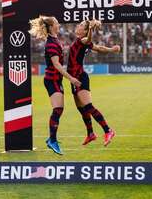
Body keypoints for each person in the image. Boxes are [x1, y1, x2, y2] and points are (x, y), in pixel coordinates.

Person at [29, 15, 81, 155]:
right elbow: (57, 65)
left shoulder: (55, 40)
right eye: (57, 23)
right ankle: (52, 140)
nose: (59, 24)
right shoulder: (51, 43)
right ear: (51, 26)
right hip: (52, 79)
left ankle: (51, 139)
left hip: (56, 80)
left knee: (59, 109)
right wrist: (72, 79)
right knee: (58, 109)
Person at [67, 19, 120, 146]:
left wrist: (90, 29)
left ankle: (108, 130)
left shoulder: (83, 40)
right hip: (74, 79)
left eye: (80, 26)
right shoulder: (82, 42)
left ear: (85, 31)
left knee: (88, 107)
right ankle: (90, 133)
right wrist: (112, 50)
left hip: (80, 77)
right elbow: (99, 48)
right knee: (81, 109)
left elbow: (89, 40)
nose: (77, 26)